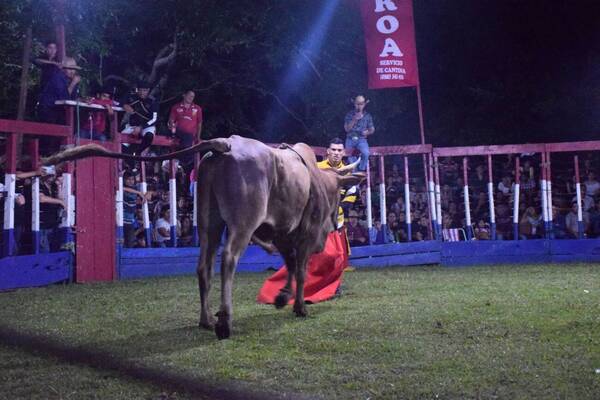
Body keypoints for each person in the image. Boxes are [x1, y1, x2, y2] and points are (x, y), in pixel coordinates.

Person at [257, 138, 359, 305]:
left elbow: (352, 194)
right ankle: (305, 289)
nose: (336, 153)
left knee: (338, 259)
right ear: (327, 151)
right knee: (319, 257)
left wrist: (337, 208)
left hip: (336, 222)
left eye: (340, 150)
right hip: (315, 222)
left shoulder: (346, 172)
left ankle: (331, 286)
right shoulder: (316, 168)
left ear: (344, 153)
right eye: (333, 149)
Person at [37, 56, 81, 125]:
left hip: (57, 112)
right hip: (48, 112)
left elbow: (73, 99)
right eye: (70, 69)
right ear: (63, 69)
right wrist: (73, 84)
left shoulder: (70, 79)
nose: (72, 71)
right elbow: (64, 98)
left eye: (74, 69)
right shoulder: (58, 77)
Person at [122, 81, 158, 162]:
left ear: (148, 90)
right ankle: (131, 163)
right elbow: (119, 102)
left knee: (149, 136)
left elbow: (154, 119)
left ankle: (138, 153)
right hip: (132, 125)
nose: (142, 92)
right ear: (137, 90)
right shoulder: (132, 97)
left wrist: (141, 127)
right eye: (140, 90)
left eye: (144, 90)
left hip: (147, 126)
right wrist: (124, 105)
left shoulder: (152, 101)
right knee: (121, 144)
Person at [168, 89, 203, 174]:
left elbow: (199, 123)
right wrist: (171, 126)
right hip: (178, 132)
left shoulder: (197, 109)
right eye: (190, 95)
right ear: (184, 95)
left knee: (189, 142)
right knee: (186, 141)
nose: (191, 98)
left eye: (193, 96)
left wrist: (198, 137)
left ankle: (183, 164)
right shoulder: (176, 107)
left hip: (190, 135)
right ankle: (183, 162)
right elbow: (171, 120)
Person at [344, 95, 374, 171]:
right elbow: (347, 129)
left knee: (366, 153)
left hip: (361, 140)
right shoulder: (349, 115)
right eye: (357, 103)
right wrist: (354, 119)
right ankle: (355, 176)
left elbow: (372, 129)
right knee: (351, 161)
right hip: (350, 139)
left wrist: (367, 132)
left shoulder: (367, 116)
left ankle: (361, 169)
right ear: (354, 104)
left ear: (364, 104)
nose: (359, 106)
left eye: (361, 104)